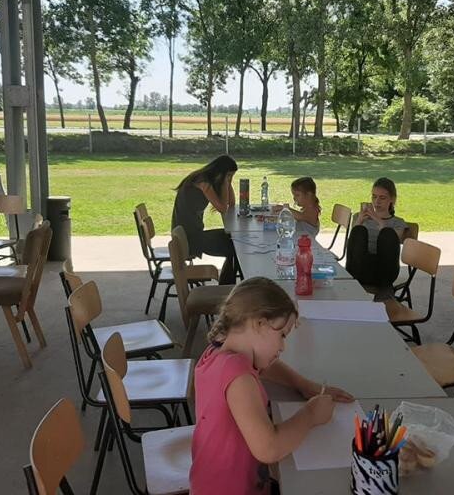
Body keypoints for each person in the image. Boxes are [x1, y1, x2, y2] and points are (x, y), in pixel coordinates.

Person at [190, 277, 354, 495]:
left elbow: (266, 367)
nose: (283, 347)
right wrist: (311, 415)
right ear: (259, 324)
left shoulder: (220, 350)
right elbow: (269, 448)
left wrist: (304, 385)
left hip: (209, 481)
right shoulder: (239, 378)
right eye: (282, 335)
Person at [172, 155, 238, 284]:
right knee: (233, 248)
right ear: (221, 172)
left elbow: (231, 203)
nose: (229, 179)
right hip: (188, 239)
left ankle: (226, 286)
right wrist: (225, 182)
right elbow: (223, 208)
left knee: (233, 240)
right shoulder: (203, 182)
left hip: (192, 234)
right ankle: (225, 288)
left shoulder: (205, 179)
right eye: (229, 175)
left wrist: (228, 182)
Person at [346, 177, 407, 289]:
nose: (377, 201)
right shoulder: (358, 217)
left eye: (382, 198)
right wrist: (359, 220)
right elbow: (352, 243)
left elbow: (394, 241)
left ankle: (384, 289)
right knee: (359, 230)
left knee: (388, 233)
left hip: (384, 272)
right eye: (374, 197)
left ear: (392, 199)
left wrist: (377, 219)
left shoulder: (398, 223)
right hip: (359, 267)